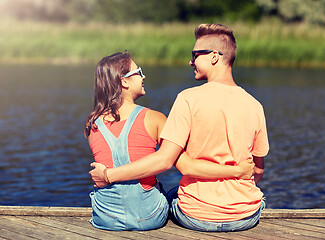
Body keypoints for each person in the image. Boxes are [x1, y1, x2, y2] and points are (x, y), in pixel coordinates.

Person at [85, 51, 255, 231]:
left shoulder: (92, 126)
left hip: (106, 217)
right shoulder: (155, 118)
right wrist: (238, 170)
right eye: (139, 72)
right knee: (176, 194)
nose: (144, 76)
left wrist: (108, 175)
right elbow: (185, 165)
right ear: (124, 81)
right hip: (148, 216)